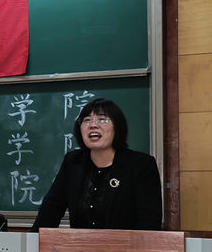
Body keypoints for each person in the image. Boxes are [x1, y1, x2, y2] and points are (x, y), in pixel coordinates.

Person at [31, 98, 162, 231]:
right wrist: (34, 240)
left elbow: (149, 222)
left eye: (102, 120)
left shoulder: (141, 165)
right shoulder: (73, 162)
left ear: (117, 127)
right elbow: (51, 208)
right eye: (87, 120)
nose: (93, 125)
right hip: (79, 243)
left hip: (126, 244)